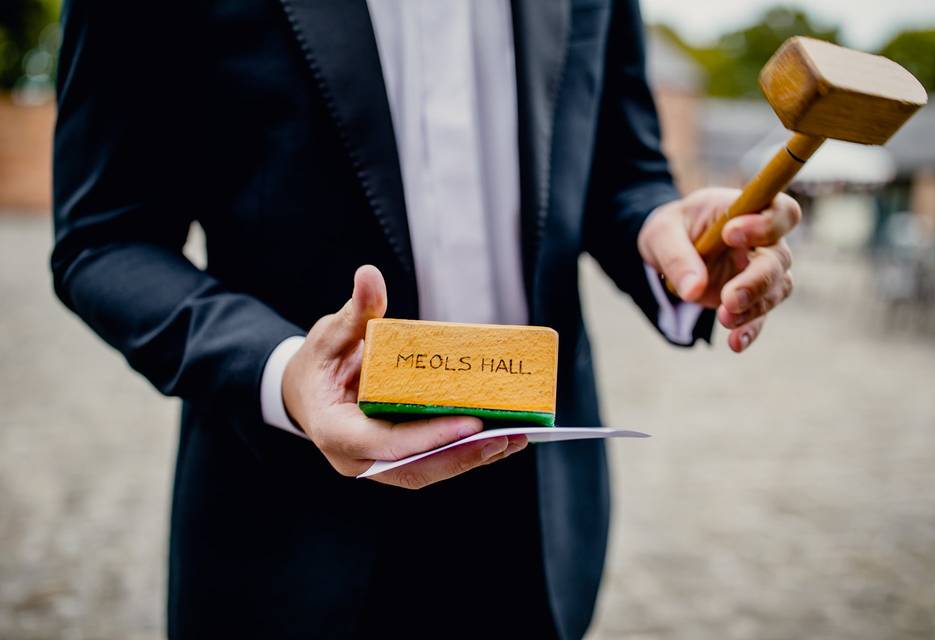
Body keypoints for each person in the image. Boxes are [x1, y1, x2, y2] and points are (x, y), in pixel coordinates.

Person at [51, 0, 799, 637]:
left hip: (537, 517)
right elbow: (105, 236)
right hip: (287, 521)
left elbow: (620, 172)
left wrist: (682, 250)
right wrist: (282, 375)